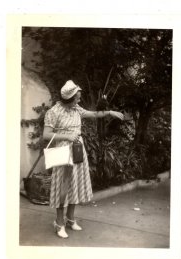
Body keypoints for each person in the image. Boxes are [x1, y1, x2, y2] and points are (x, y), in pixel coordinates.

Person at [43, 80, 124, 238]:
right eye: (77, 98)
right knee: (63, 187)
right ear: (70, 98)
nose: (79, 100)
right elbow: (46, 135)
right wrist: (67, 136)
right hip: (63, 152)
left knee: (75, 184)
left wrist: (110, 112)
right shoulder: (54, 112)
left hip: (78, 150)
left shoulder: (76, 109)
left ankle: (70, 219)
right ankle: (59, 223)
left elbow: (93, 114)